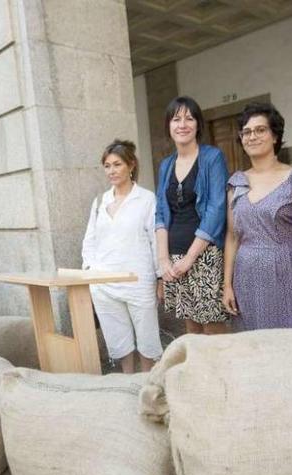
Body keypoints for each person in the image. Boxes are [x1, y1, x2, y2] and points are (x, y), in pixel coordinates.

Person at [222, 103, 292, 330]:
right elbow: (232, 237)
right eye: (246, 132)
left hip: (289, 275)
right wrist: (227, 284)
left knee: (290, 345)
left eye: (260, 130)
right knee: (253, 348)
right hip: (246, 278)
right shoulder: (236, 182)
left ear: (275, 136)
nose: (251, 137)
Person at [82, 140, 162, 373]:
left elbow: (155, 240)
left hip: (138, 280)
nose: (112, 171)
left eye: (117, 164)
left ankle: (147, 383)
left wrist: (159, 278)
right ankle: (128, 379)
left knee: (147, 338)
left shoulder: (146, 199)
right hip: (104, 283)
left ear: (131, 165)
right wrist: (89, 269)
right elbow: (89, 239)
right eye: (107, 166)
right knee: (118, 338)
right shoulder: (100, 201)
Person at [155, 96, 230, 335]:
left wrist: (189, 258)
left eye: (189, 118)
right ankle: (199, 373)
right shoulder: (166, 165)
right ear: (169, 126)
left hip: (204, 254)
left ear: (198, 124)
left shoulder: (212, 157)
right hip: (175, 255)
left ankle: (220, 373)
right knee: (191, 326)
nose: (182, 124)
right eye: (176, 119)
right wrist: (163, 260)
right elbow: (160, 212)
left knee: (212, 327)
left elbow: (216, 209)